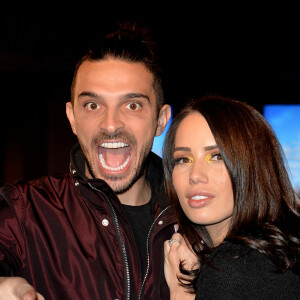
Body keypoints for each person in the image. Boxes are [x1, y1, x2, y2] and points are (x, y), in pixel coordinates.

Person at [0, 22, 177, 300]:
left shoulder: (195, 219)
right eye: (93, 105)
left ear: (161, 120)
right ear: (72, 117)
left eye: (132, 105)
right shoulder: (26, 213)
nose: (110, 124)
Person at [163, 94, 300, 299]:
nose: (195, 176)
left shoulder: (232, 268)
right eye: (183, 159)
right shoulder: (277, 252)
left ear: (254, 166)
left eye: (216, 156)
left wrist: (180, 291)